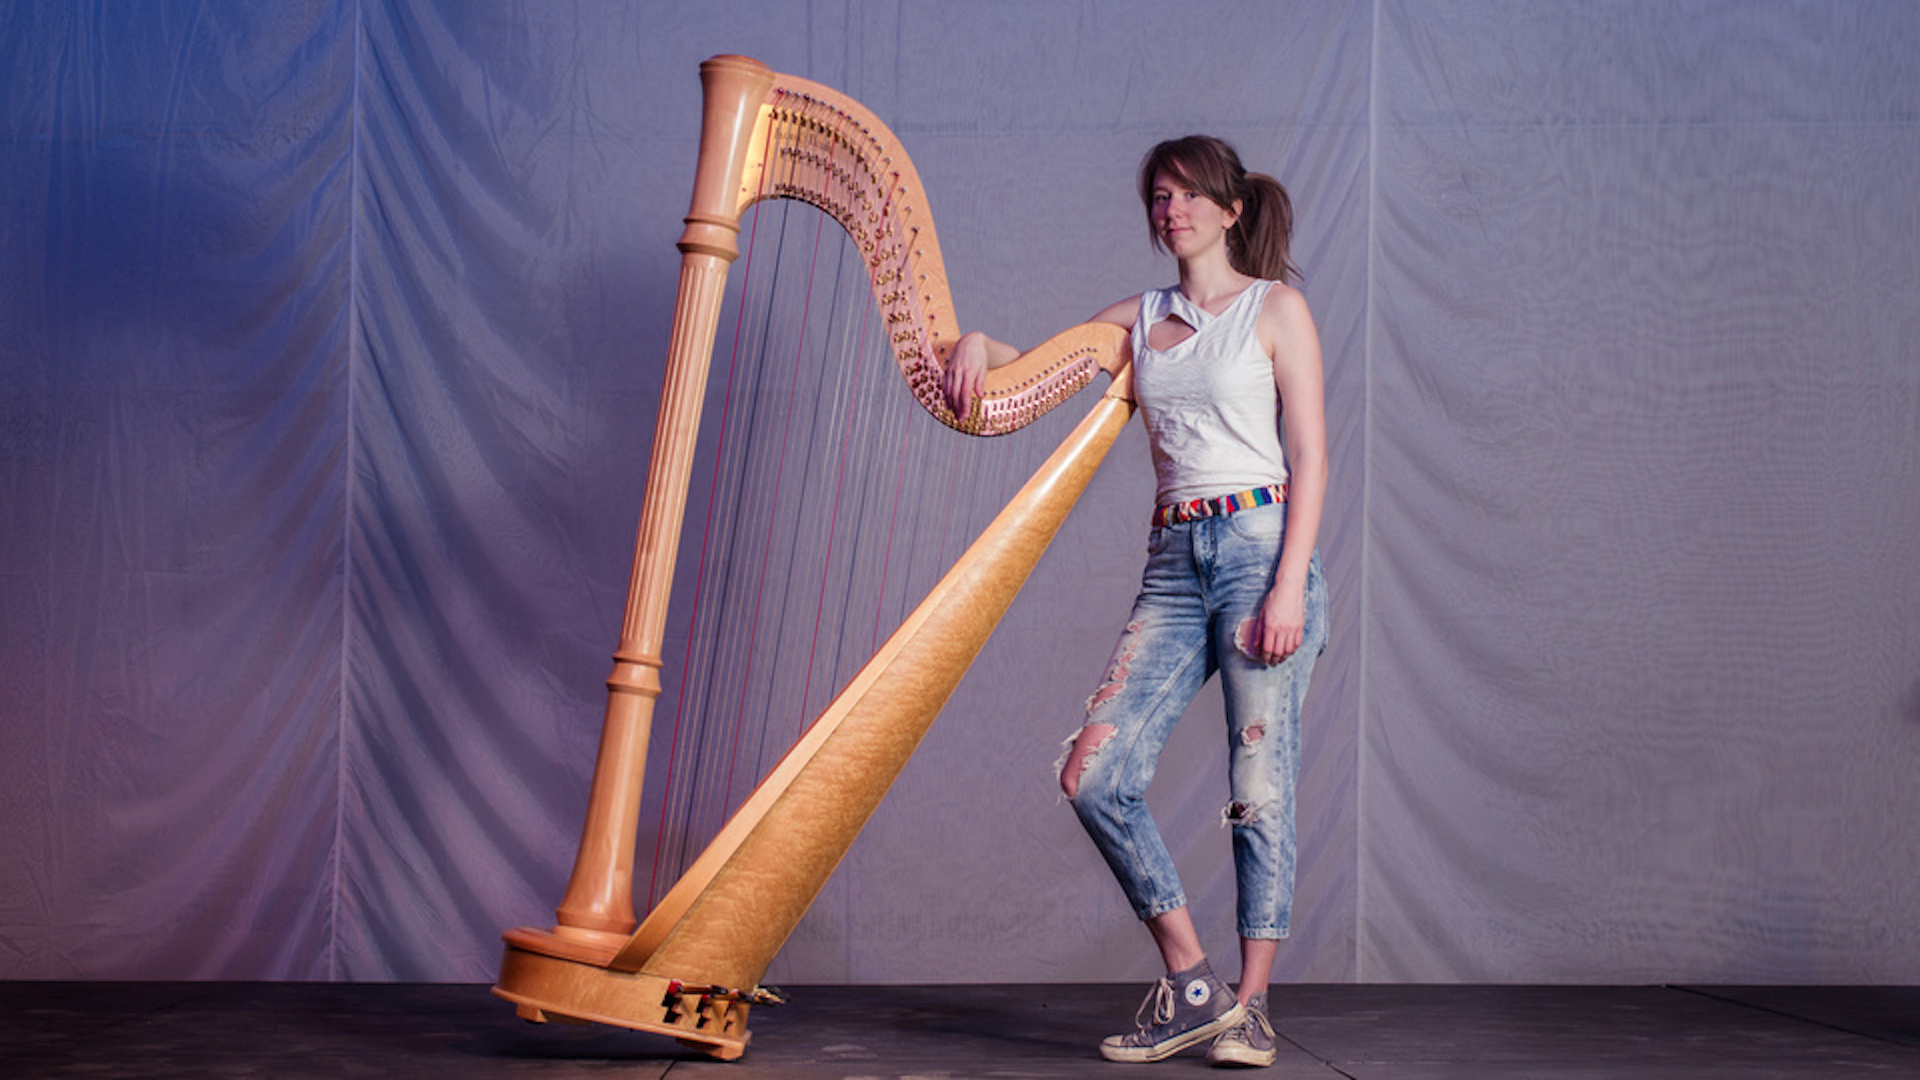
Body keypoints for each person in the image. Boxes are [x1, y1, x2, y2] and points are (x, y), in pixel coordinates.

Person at [941, 135, 1329, 1068]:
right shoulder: (1141, 316)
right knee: (1093, 774)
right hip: (1173, 557)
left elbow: (1311, 455)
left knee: (1257, 788)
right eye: (1159, 196)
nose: (1171, 210)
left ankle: (1255, 1008)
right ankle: (1197, 984)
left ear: (1232, 210)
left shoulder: (1276, 311)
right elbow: (1034, 365)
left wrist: (1286, 587)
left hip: (1260, 546)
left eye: (1190, 194)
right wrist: (972, 345)